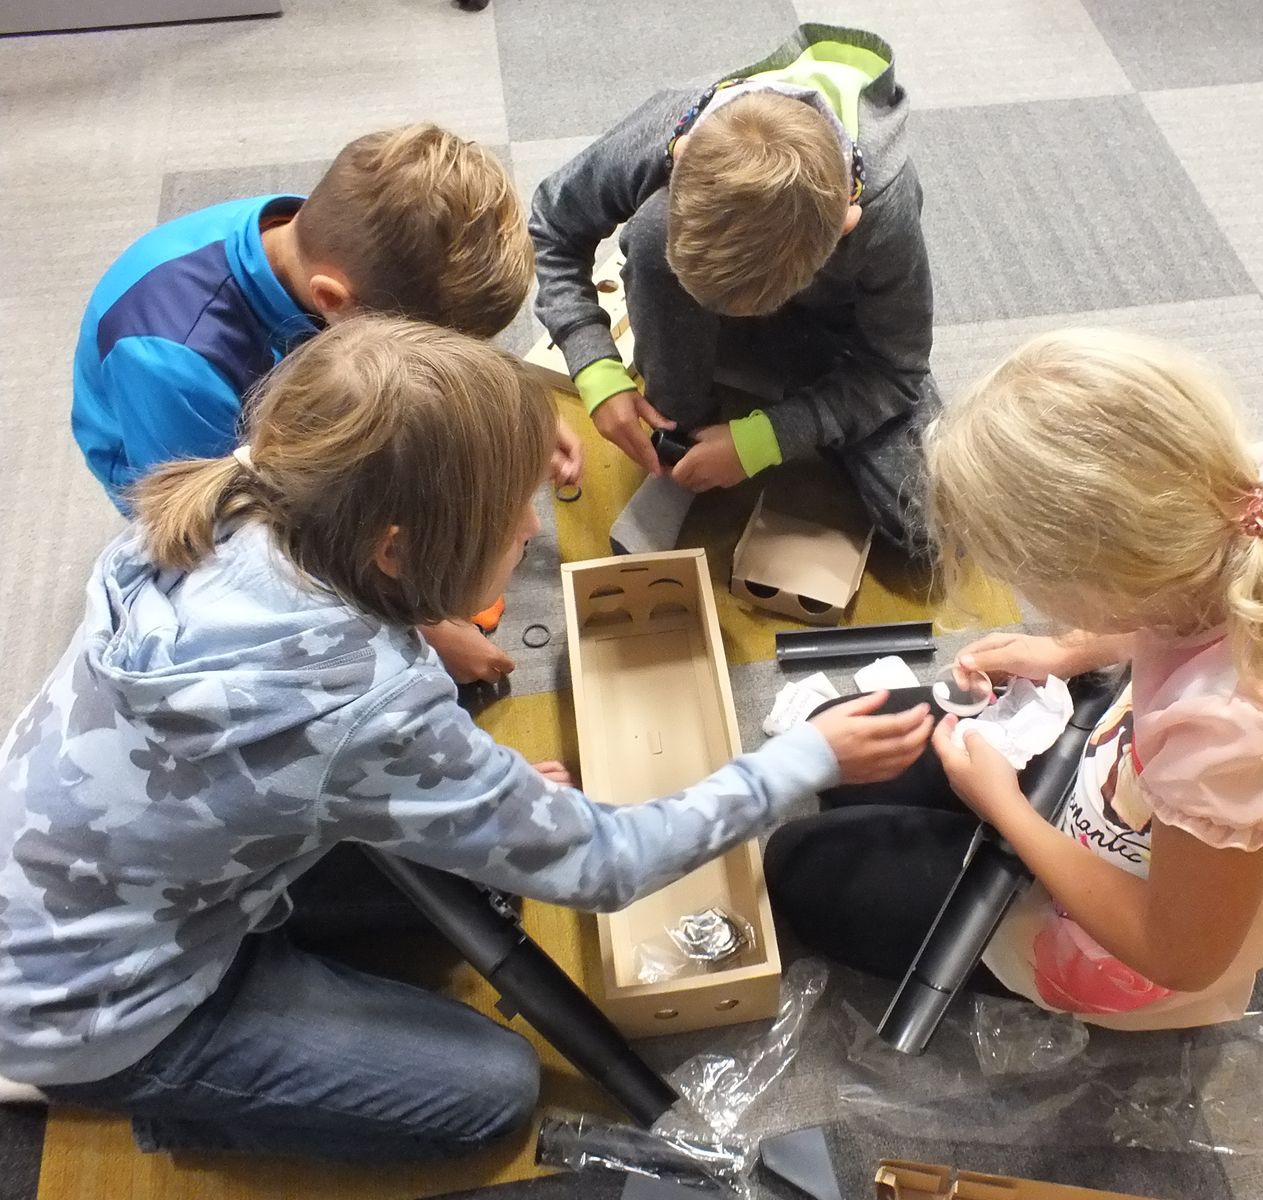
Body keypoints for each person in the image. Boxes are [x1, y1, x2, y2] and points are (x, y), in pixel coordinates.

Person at [0, 317, 933, 1161]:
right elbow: (606, 863)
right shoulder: (364, 704)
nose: (532, 528)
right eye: (509, 516)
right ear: (396, 550)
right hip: (92, 1013)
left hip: (93, 886)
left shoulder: (252, 488)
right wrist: (805, 758)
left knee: (482, 876)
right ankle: (167, 1097)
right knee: (492, 1092)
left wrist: (440, 776)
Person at [765, 328, 1263, 1029]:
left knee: (799, 865)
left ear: (1109, 580)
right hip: (1142, 780)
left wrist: (1006, 811)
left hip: (1138, 947)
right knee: (837, 745)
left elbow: (1179, 957)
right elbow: (1181, 594)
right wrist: (1067, 652)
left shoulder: (1234, 740)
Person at [70, 122, 574, 683]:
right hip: (192, 465)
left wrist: (499, 416)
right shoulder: (177, 368)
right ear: (333, 301)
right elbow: (246, 530)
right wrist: (429, 634)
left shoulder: (340, 242)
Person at [529, 25, 937, 552]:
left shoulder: (883, 209)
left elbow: (897, 369)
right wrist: (595, 367)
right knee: (651, 237)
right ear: (681, 155)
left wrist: (764, 439)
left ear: (846, 223)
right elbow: (553, 225)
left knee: (922, 525)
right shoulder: (669, 129)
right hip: (704, 316)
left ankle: (777, 395)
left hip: (832, 335)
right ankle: (681, 437)